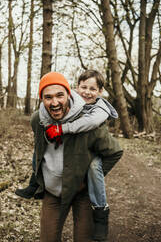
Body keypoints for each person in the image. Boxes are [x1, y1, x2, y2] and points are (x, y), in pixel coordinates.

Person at [15, 70, 117, 240]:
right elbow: (39, 150)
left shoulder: (90, 122)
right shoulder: (37, 120)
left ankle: (100, 216)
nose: (54, 102)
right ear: (42, 99)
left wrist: (91, 176)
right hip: (52, 193)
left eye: (59, 95)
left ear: (69, 94)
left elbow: (114, 153)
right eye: (48, 97)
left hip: (81, 194)